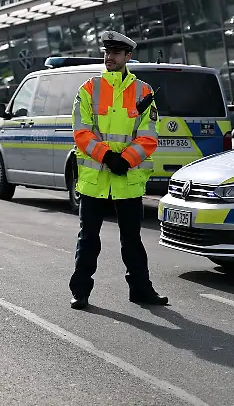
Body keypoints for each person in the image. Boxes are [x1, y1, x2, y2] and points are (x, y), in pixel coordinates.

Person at [68, 30, 168, 310]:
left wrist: (125, 160)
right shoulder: (89, 88)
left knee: (132, 240)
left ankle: (141, 289)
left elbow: (148, 136)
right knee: (88, 238)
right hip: (95, 179)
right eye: (106, 52)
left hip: (127, 178)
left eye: (115, 53)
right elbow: (82, 132)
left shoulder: (143, 91)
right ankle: (80, 292)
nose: (109, 57)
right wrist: (108, 156)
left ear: (128, 56)